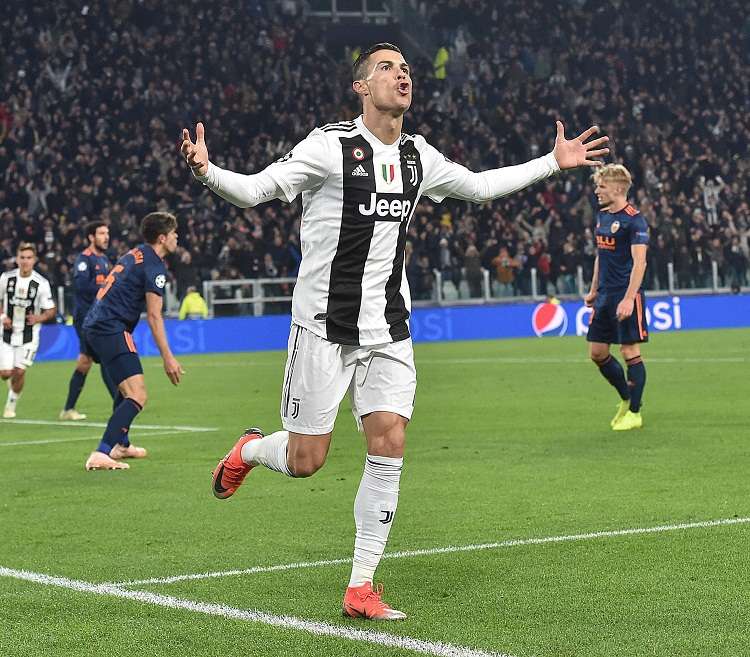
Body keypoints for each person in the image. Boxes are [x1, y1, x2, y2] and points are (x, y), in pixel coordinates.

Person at [181, 42, 608, 619]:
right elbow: (257, 190)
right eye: (386, 67)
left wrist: (551, 162)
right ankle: (252, 450)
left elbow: (479, 187)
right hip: (324, 327)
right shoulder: (329, 145)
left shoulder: (416, 155)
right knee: (308, 460)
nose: (401, 73)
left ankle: (361, 585)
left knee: (389, 441)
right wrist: (208, 172)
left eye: (405, 67)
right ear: (361, 87)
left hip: (388, 328)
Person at [82, 212, 184, 471]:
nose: (177, 238)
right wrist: (168, 357)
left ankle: (121, 445)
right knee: (138, 394)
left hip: (96, 324)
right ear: (162, 238)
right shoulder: (154, 266)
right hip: (110, 327)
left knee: (124, 391)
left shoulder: (135, 253)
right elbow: (153, 315)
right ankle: (101, 452)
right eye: (174, 234)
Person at [584, 164, 649, 431]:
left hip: (626, 296)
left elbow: (640, 263)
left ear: (618, 188)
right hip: (605, 295)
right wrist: (593, 288)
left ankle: (635, 412)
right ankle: (625, 397)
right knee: (597, 353)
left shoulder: (635, 220)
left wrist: (628, 298)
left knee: (629, 351)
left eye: (602, 186)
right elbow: (601, 255)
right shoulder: (602, 218)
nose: (597, 191)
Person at [59, 221, 118, 421]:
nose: (106, 237)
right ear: (91, 237)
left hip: (98, 318)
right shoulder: (84, 259)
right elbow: (81, 287)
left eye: (107, 233)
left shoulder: (105, 260)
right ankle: (120, 403)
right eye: (101, 233)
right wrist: (106, 289)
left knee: (85, 362)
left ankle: (68, 409)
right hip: (86, 318)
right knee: (105, 357)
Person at [0, 243, 57, 418]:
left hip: (29, 334)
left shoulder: (41, 283)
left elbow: (51, 310)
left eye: (29, 258)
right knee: (5, 374)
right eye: (22, 258)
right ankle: (11, 382)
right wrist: (3, 317)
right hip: (6, 332)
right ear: (17, 259)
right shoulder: (6, 278)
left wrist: (38, 318)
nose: (25, 261)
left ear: (34, 260)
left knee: (20, 371)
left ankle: (11, 404)